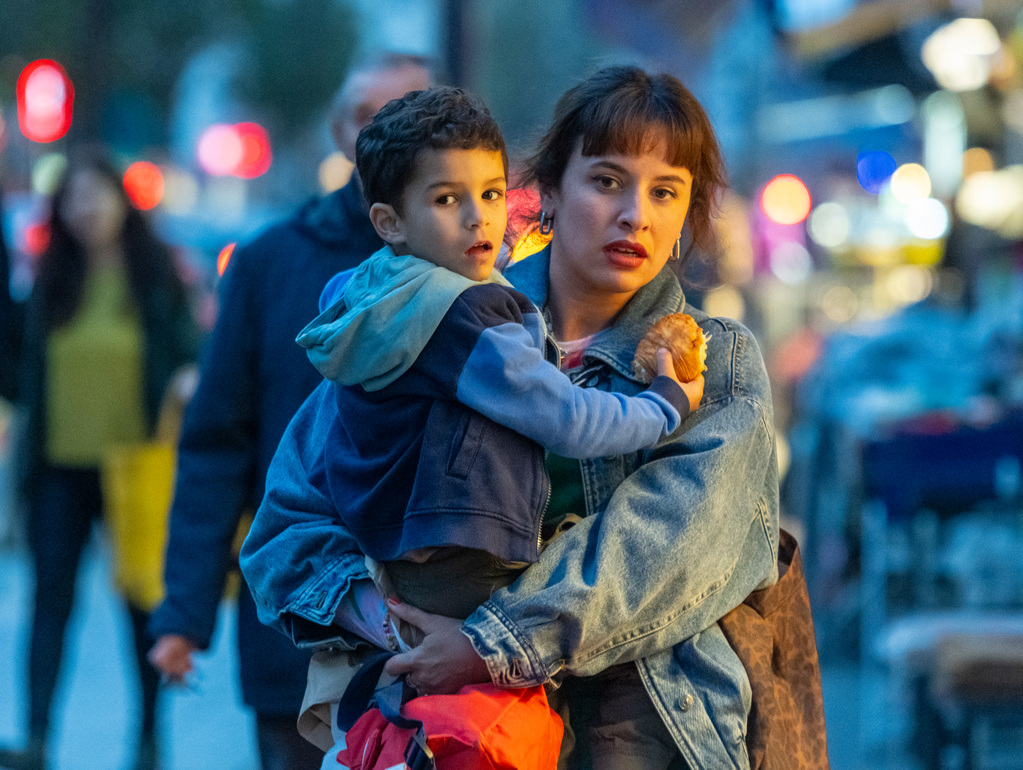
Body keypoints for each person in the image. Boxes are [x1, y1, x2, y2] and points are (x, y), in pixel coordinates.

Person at [243, 65, 779, 770]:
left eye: (665, 191)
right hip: (454, 730)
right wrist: (396, 626)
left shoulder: (712, 361)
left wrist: (485, 644)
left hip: (641, 724)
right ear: (549, 190)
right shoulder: (429, 322)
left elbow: (662, 545)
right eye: (607, 180)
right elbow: (285, 526)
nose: (635, 215)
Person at [272, 83, 698, 633]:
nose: (478, 219)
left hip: (397, 558)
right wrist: (664, 403)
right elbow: (569, 419)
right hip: (468, 571)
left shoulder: (373, 299)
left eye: (492, 194)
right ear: (388, 222)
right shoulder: (463, 317)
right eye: (447, 199)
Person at [145, 52, 433, 770]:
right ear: (340, 132)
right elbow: (217, 443)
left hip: (435, 621)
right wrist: (185, 610)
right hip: (292, 613)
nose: (386, 133)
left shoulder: (475, 274)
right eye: (369, 116)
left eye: (410, 114)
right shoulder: (270, 261)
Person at [0, 149, 200, 770]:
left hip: (134, 470)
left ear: (121, 200)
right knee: (49, 604)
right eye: (73, 199)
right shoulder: (49, 280)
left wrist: (187, 381)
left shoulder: (155, 276)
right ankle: (35, 740)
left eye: (96, 194)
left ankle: (146, 739)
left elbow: (190, 354)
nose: (86, 209)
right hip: (59, 468)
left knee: (141, 605)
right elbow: (18, 371)